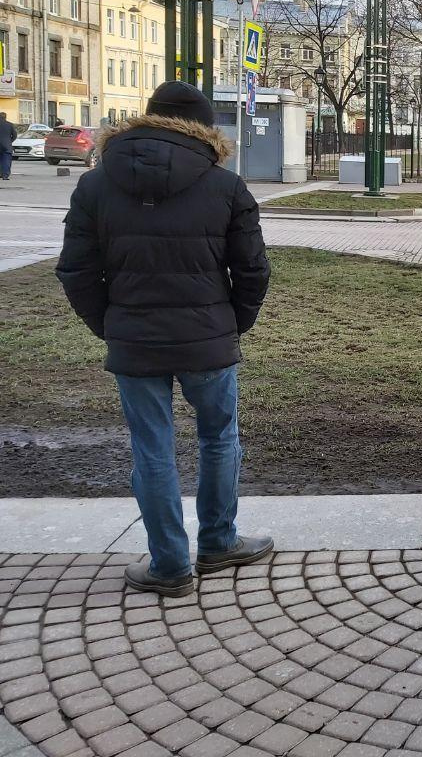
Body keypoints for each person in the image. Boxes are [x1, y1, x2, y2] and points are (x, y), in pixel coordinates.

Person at [56, 82, 273, 597]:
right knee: (219, 438)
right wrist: (230, 324)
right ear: (204, 129)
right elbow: (254, 272)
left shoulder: (95, 184)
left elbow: (75, 271)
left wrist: (109, 324)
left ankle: (170, 565)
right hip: (208, 340)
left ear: (146, 120)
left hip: (134, 340)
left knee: (151, 448)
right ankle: (219, 542)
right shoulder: (226, 186)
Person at [0, 111, 15, 181]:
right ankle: (5, 176)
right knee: (6, 161)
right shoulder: (10, 125)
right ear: (5, 117)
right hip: (7, 146)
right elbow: (14, 135)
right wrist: (9, 141)